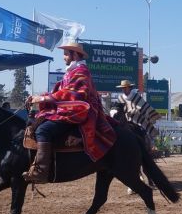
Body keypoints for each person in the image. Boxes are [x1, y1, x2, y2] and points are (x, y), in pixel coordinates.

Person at [23, 42, 116, 184]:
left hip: (78, 110)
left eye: (66, 54)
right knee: (36, 122)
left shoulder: (81, 71)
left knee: (43, 130)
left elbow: (74, 94)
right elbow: (58, 92)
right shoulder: (72, 72)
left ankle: (41, 171)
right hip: (68, 109)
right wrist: (38, 96)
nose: (64, 57)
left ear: (75, 54)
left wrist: (42, 99)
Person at [117, 79, 161, 149]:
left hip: (137, 120)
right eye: (123, 88)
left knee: (143, 131)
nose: (124, 90)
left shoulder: (136, 96)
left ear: (129, 88)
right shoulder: (120, 98)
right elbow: (119, 110)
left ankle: (149, 147)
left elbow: (144, 107)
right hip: (125, 120)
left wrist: (134, 111)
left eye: (125, 88)